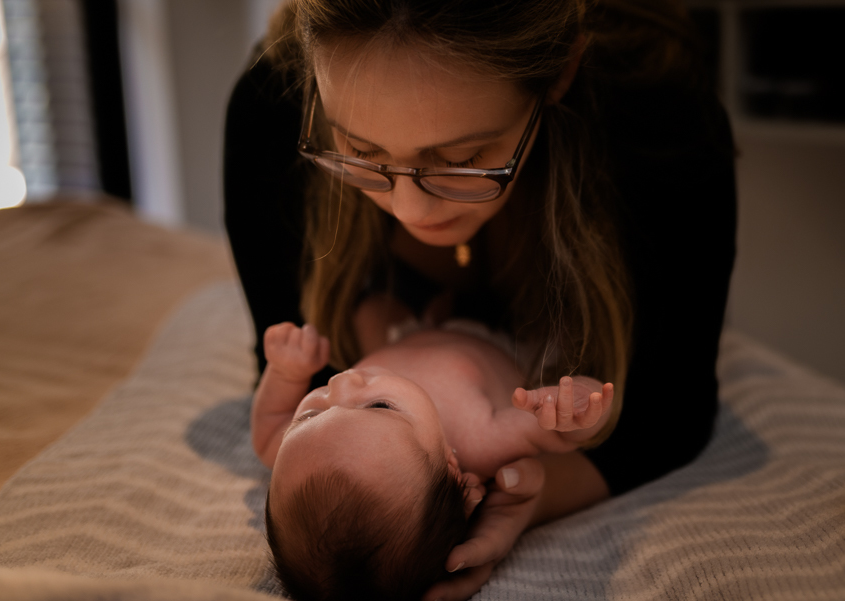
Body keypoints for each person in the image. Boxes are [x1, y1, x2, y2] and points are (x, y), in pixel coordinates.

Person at [224, 0, 736, 599]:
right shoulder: (274, 106)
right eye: (358, 152)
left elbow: (667, 411)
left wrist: (528, 496)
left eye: (463, 161)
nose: (411, 211)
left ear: (561, 73)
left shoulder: (656, 119)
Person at [253, 321, 615, 600]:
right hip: (503, 334)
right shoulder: (483, 438)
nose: (340, 383)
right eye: (379, 406)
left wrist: (286, 373)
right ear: (450, 466)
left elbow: (268, 431)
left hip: (409, 326)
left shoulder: (300, 451)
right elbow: (562, 435)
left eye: (310, 415)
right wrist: (575, 406)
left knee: (371, 310)